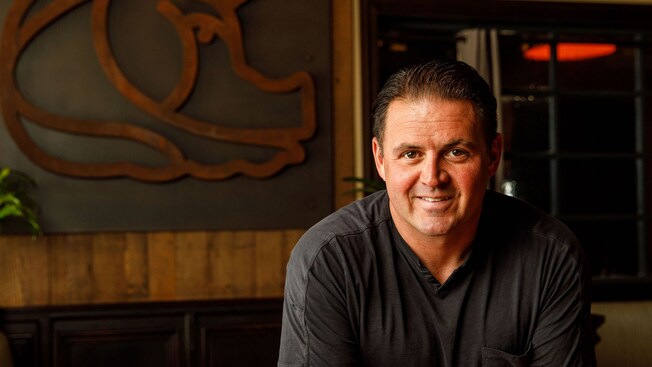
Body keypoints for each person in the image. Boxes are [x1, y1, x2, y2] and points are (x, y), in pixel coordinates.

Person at [278, 59, 594, 366]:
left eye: (456, 152)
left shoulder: (550, 255)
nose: (432, 177)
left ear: (492, 155)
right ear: (381, 160)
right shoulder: (329, 260)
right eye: (411, 154)